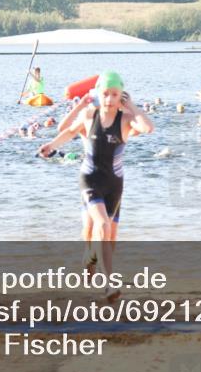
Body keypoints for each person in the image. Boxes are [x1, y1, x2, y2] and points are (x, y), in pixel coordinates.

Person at [39, 71, 154, 300]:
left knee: (109, 238)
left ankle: (91, 257)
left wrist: (131, 105)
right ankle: (109, 284)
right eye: (105, 94)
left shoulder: (126, 119)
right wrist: (51, 145)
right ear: (98, 94)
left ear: (121, 96)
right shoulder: (89, 115)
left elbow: (148, 128)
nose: (109, 99)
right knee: (100, 224)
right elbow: (68, 131)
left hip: (114, 183)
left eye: (115, 94)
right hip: (90, 179)